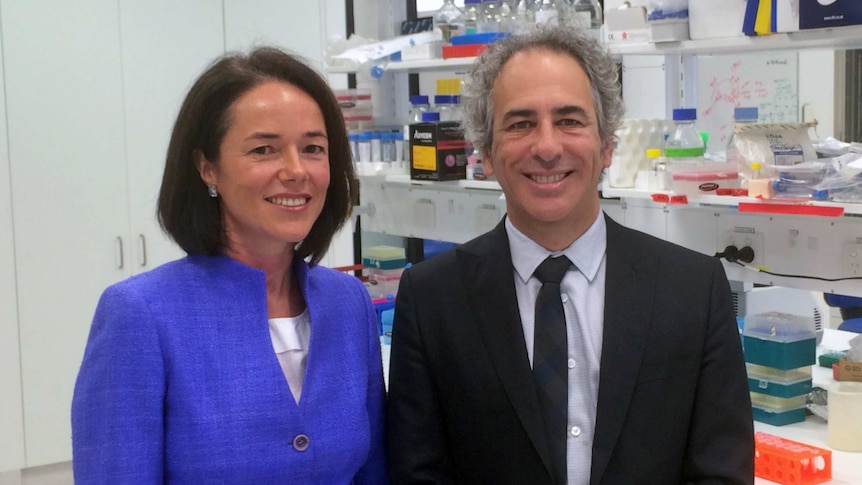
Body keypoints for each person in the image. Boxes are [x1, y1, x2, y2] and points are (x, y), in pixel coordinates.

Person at [386, 26, 754, 485]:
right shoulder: (431, 299)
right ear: (486, 152)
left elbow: (721, 472)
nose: (547, 147)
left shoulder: (694, 290)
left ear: (606, 146)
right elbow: (417, 472)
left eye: (569, 120)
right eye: (520, 124)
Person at [71, 46, 387, 484]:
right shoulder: (141, 314)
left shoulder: (347, 303)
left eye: (313, 148)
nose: (296, 171)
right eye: (264, 150)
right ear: (207, 168)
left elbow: (374, 472)